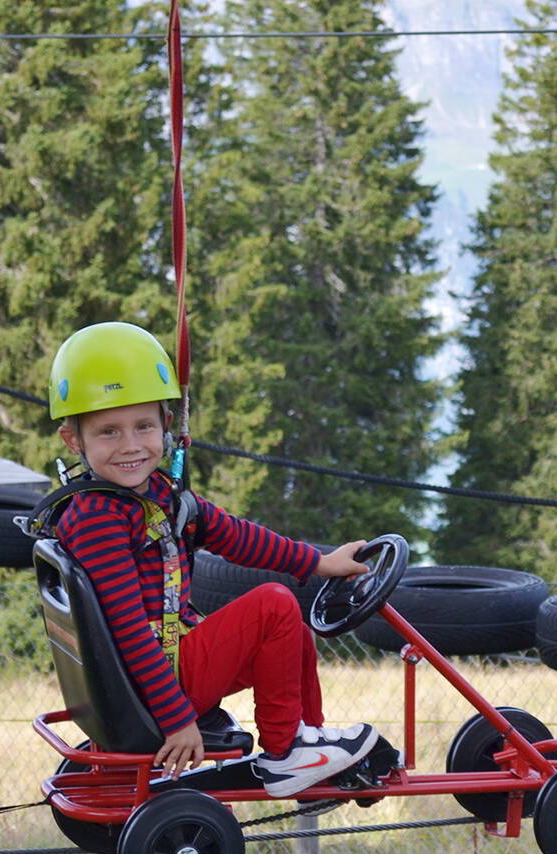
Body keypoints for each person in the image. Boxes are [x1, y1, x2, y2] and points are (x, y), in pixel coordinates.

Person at [48, 321, 380, 798]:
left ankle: (308, 739)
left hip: (167, 663)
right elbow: (127, 628)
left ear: (166, 425)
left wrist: (321, 562)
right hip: (154, 681)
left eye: (144, 425)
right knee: (274, 605)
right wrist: (176, 719)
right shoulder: (98, 516)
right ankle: (285, 758)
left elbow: (236, 537)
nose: (131, 445)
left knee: (289, 630)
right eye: (108, 431)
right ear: (73, 441)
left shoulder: (157, 493)